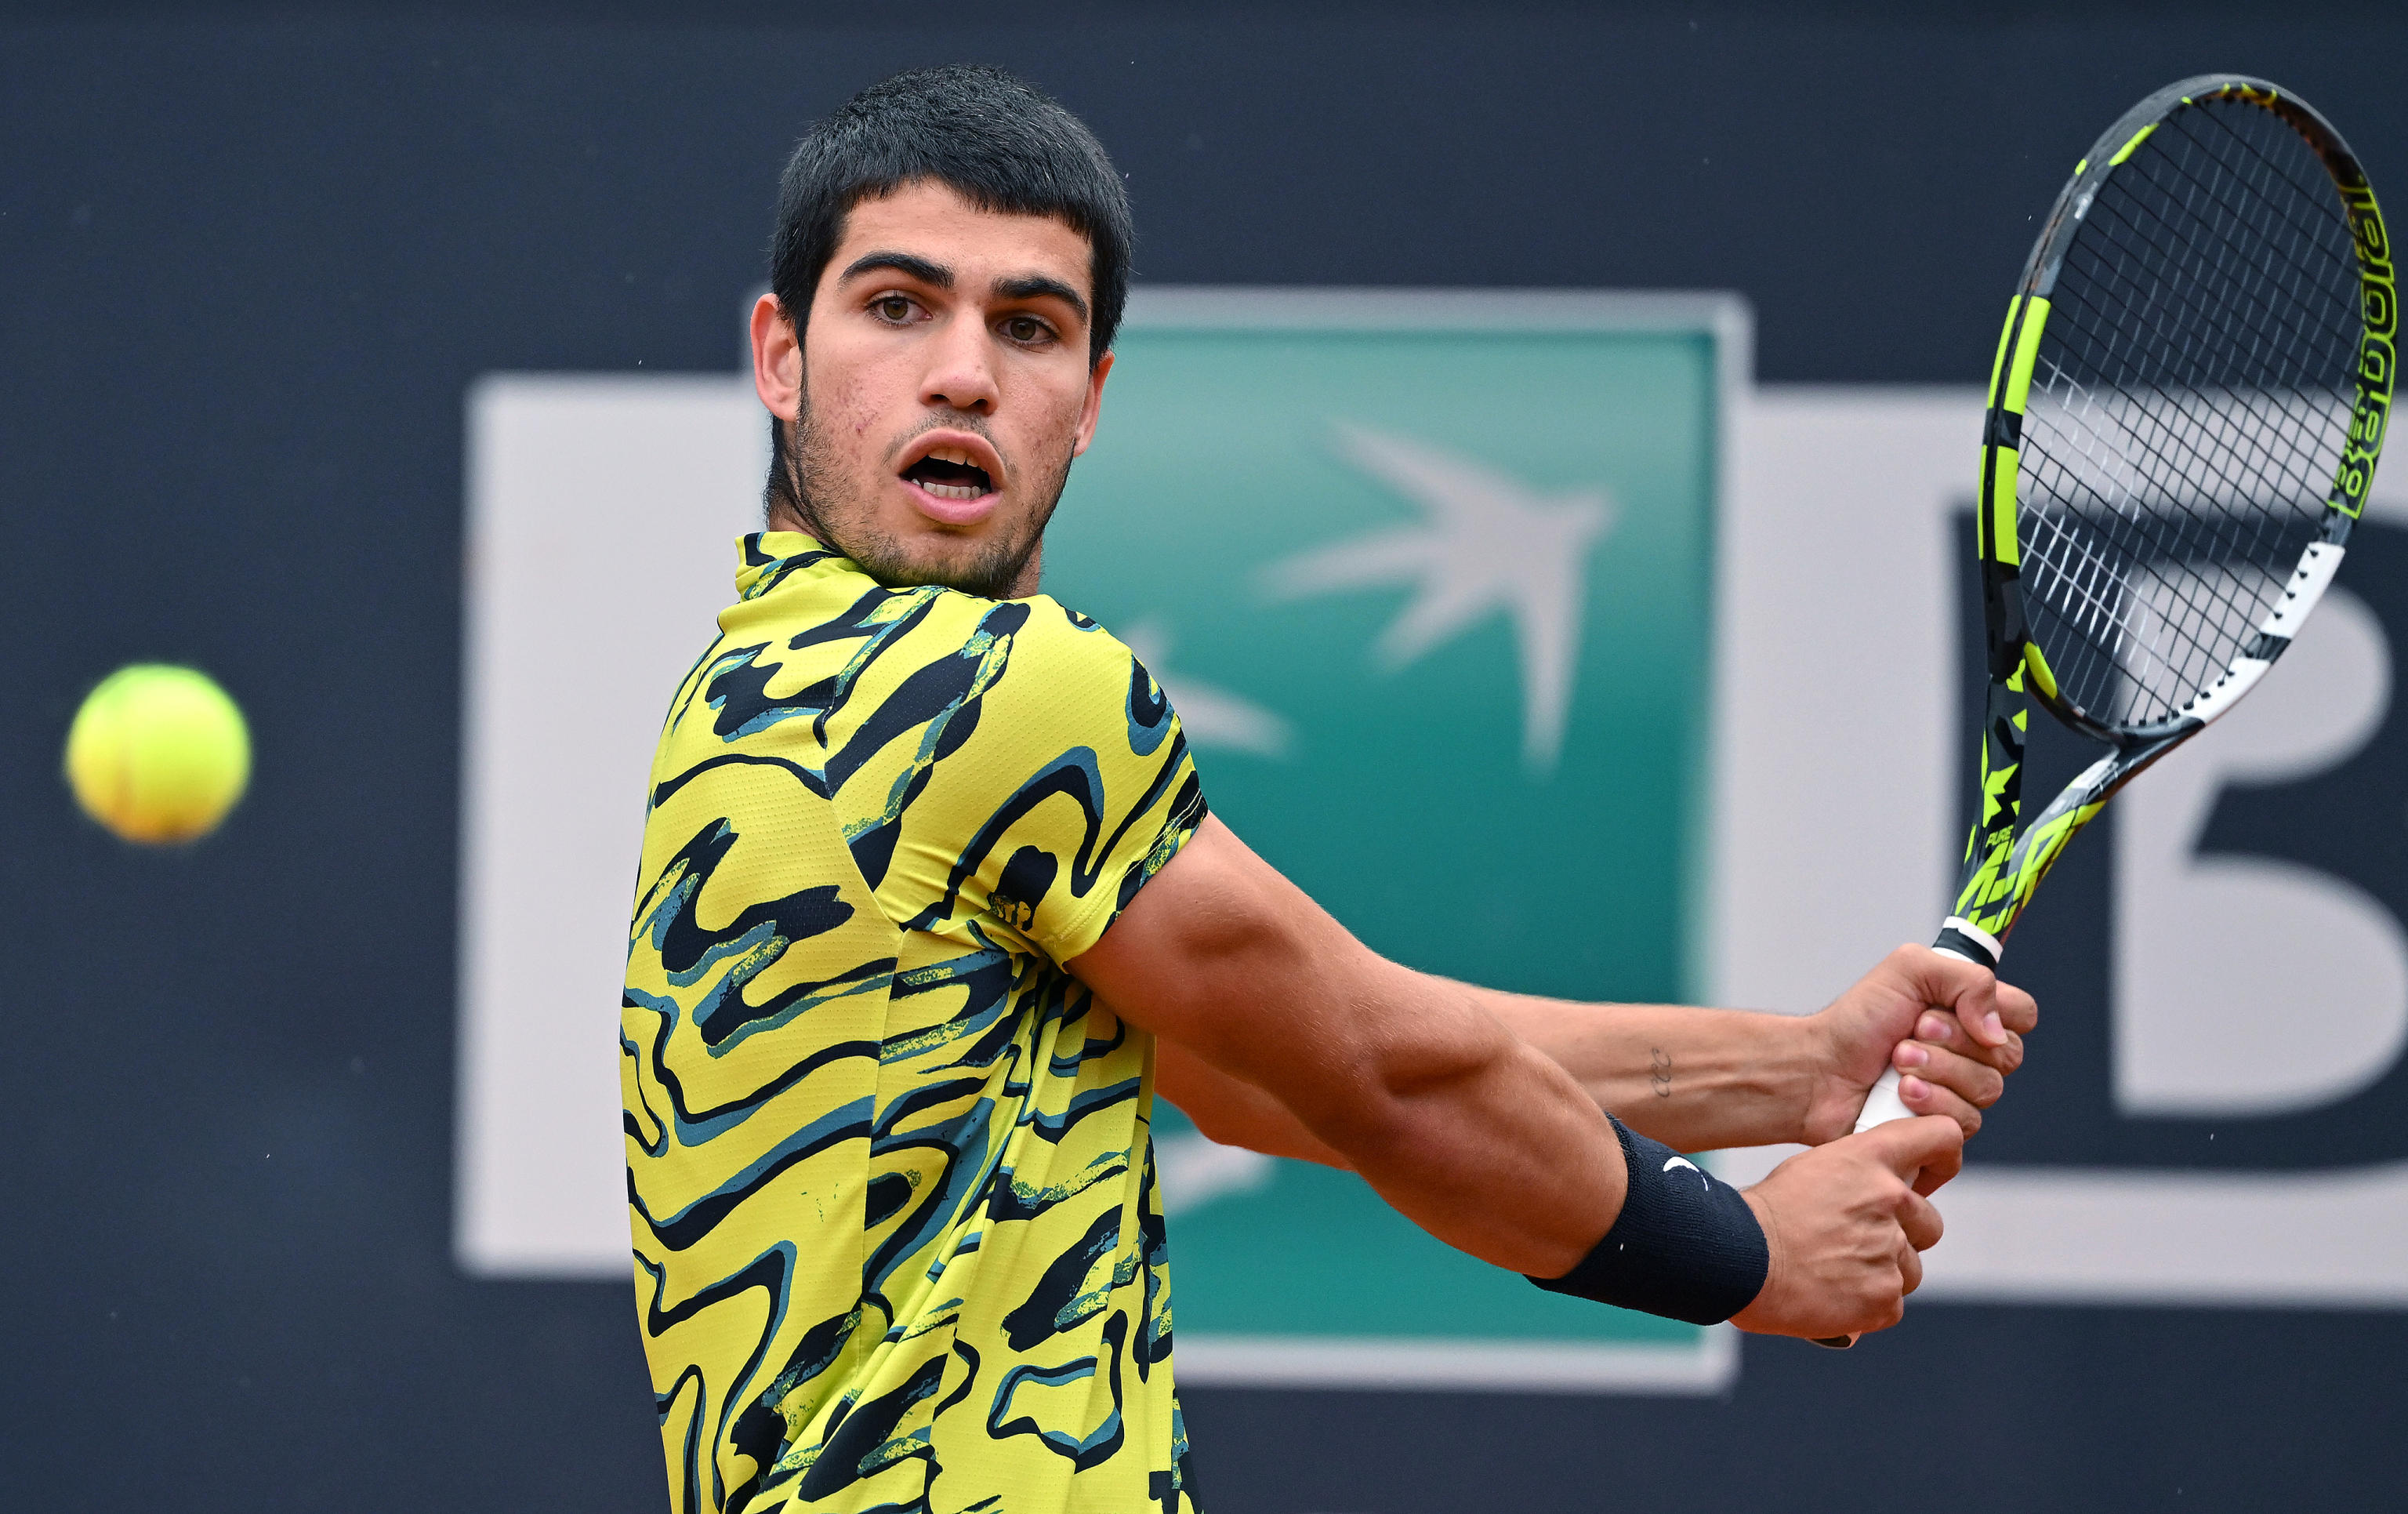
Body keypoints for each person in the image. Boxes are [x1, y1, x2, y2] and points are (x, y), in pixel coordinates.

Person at [620, 64, 2037, 1514]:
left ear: (1093, 396)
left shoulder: (740, 699)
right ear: (781, 355)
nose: (966, 372)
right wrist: (1754, 1258)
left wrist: (1790, 1075)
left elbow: (1271, 1067)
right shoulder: (998, 692)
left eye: (1030, 326)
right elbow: (1386, 1072)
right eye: (900, 305)